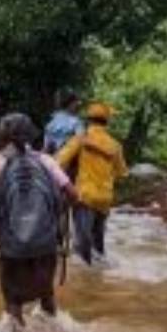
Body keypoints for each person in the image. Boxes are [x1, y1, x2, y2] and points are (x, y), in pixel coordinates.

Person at [0, 114, 79, 327]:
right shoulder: (45, 160)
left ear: (2, 136)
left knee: (13, 303)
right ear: (30, 135)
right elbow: (73, 195)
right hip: (45, 244)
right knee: (47, 297)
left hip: (11, 246)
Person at [57, 103, 128, 266]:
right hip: (104, 198)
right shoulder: (115, 145)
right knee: (98, 247)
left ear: (88, 120)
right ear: (107, 122)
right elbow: (121, 172)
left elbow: (59, 162)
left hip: (84, 196)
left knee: (82, 249)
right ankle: (100, 277)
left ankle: (86, 282)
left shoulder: (81, 139)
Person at [43, 90, 85, 155]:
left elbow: (46, 146)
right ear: (70, 104)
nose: (77, 106)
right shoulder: (76, 122)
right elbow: (81, 142)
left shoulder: (52, 120)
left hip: (53, 158)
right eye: (75, 103)